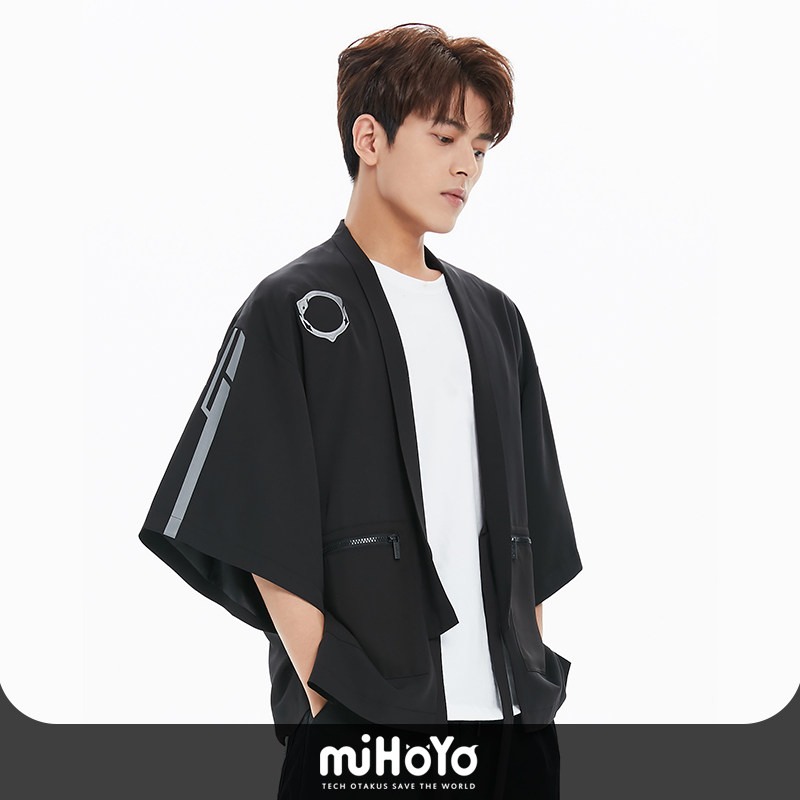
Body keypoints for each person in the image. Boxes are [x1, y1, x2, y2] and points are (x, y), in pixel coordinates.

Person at [138, 22, 582, 799]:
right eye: (446, 136)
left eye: (481, 148)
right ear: (369, 138)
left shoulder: (496, 320)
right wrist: (335, 700)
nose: (467, 166)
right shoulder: (292, 308)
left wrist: (531, 693)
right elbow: (255, 528)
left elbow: (532, 535)